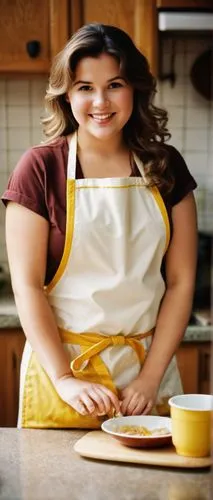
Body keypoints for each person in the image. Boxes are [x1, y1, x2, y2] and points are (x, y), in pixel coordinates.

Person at [1, 23, 197, 429]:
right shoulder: (40, 168)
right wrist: (65, 378)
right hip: (65, 379)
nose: (100, 101)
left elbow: (180, 281)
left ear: (135, 89)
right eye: (85, 87)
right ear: (66, 94)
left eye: (115, 84)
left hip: (147, 374)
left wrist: (149, 379)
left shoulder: (167, 166)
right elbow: (27, 285)